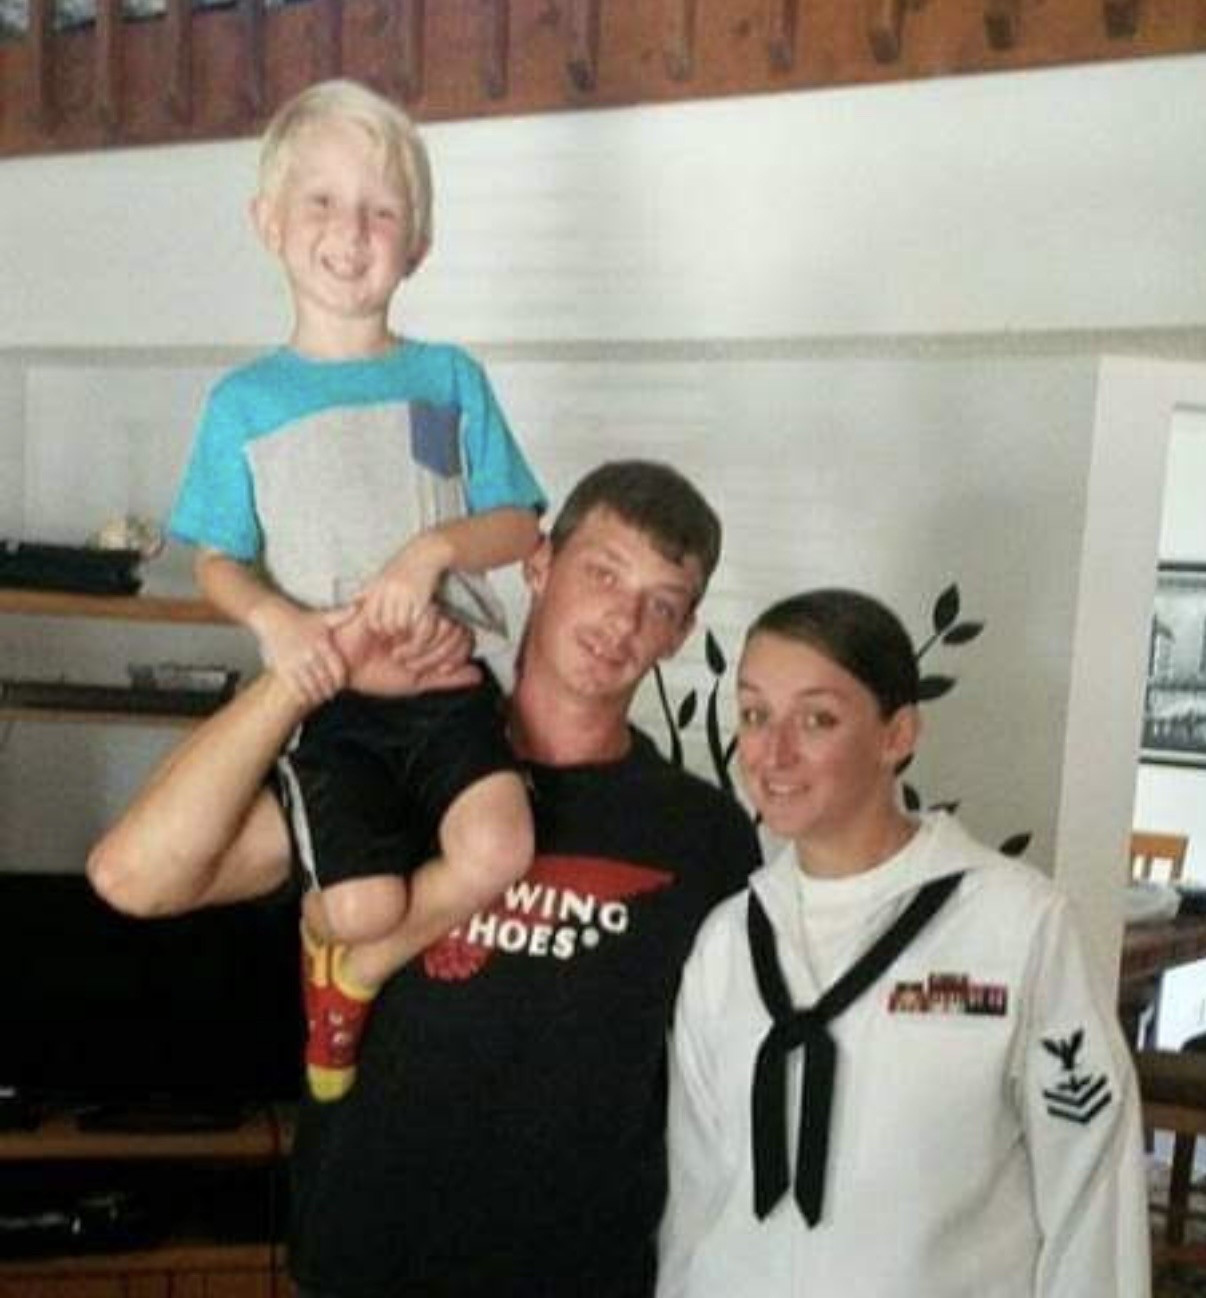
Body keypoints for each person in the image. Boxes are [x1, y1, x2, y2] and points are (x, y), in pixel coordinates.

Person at [89, 459, 762, 1298]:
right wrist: (305, 670)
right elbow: (133, 876)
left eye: (660, 604)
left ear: (681, 632)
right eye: (603, 574)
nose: (623, 619)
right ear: (538, 565)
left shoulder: (705, 836)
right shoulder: (394, 768)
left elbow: (727, 1094)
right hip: (367, 1269)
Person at [167, 78, 547, 1100]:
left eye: (381, 211)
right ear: (269, 222)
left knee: (501, 846)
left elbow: (518, 521)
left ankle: (361, 975)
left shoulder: (449, 377)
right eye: (323, 202)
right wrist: (274, 620)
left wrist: (431, 551)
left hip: (446, 689)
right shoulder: (243, 403)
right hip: (332, 706)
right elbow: (216, 557)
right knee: (360, 903)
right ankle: (344, 943)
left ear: (417, 244)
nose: (351, 232)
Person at [657, 589, 1151, 1298]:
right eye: (756, 714)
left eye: (818, 719)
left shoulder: (1018, 928)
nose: (774, 752)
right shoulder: (728, 940)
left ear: (898, 735)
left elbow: (1092, 1189)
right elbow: (695, 1198)